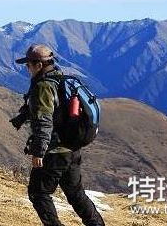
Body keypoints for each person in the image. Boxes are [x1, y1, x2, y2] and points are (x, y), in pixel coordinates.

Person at [10, 44, 105, 226]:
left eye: (28, 64)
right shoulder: (60, 78)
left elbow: (44, 121)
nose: (26, 68)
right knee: (76, 194)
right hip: (72, 149)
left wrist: (38, 152)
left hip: (54, 152)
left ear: (38, 64)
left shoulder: (44, 86)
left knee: (38, 192)